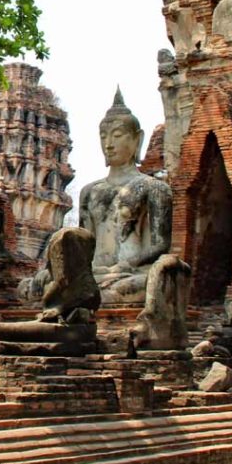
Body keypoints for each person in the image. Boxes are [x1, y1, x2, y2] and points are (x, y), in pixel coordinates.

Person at [79, 89, 172, 304]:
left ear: (138, 139)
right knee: (31, 288)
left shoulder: (153, 188)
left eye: (117, 135)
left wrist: (126, 264)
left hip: (131, 274)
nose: (109, 144)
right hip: (94, 274)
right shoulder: (89, 191)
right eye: (103, 136)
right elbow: (83, 245)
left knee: (127, 289)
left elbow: (160, 245)